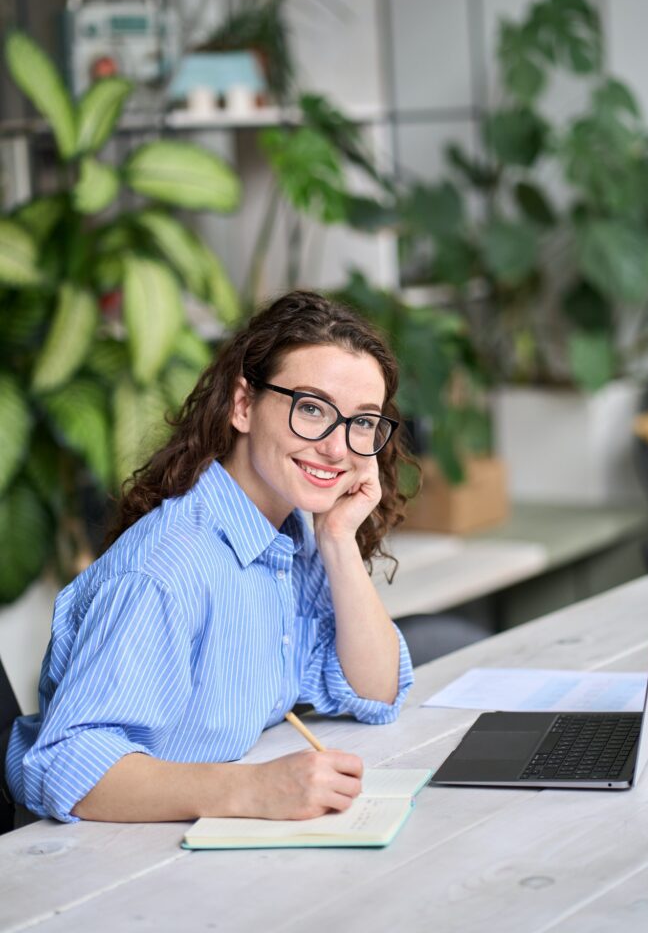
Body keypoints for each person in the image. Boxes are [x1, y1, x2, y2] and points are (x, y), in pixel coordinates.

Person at [6, 290, 415, 824]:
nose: (338, 449)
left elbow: (374, 692)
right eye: (311, 409)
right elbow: (65, 765)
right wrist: (250, 790)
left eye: (362, 421)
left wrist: (338, 540)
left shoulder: (293, 534)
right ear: (243, 405)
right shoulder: (166, 569)